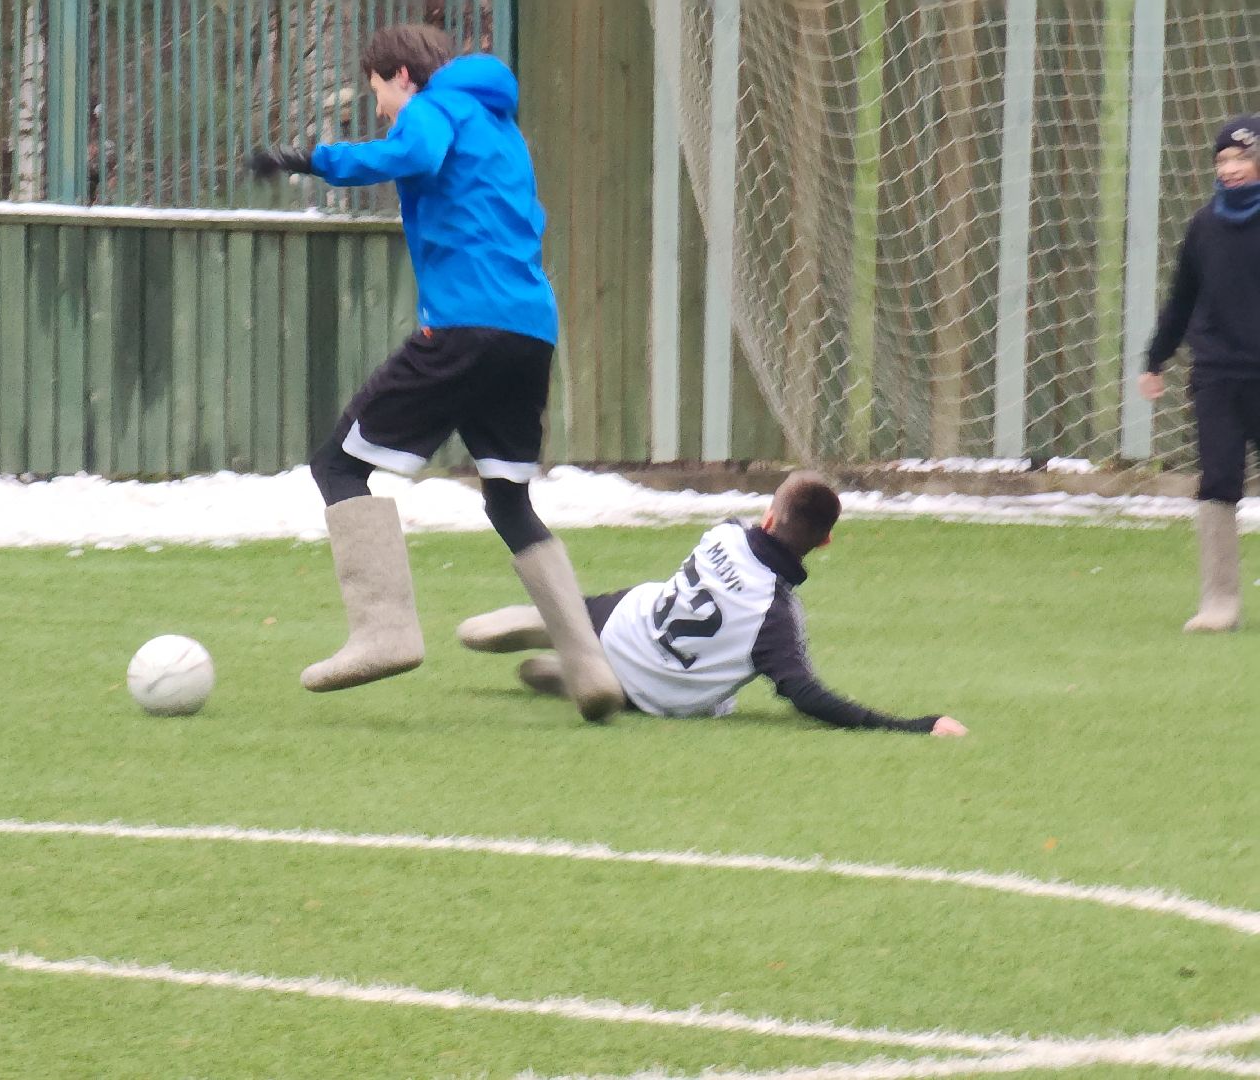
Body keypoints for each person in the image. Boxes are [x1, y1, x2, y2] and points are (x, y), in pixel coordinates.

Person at [247, 25, 622, 721]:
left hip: (464, 325)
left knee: (337, 465)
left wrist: (311, 160)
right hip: (529, 331)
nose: (382, 110)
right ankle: (588, 664)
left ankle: (383, 631)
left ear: (399, 76)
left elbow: (412, 152)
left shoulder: (431, 110)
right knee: (509, 500)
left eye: (379, 95)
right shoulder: (500, 125)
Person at [457, 472, 968, 736]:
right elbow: (807, 696)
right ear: (824, 543)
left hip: (623, 622)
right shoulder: (776, 619)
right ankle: (576, 676)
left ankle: (549, 627)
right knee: (662, 687)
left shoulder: (723, 533)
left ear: (768, 518)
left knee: (617, 606)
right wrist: (915, 725)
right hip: (655, 695)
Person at [1139, 114, 1260, 633]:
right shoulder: (1204, 226)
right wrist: (1155, 359)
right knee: (1217, 481)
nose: (1230, 169)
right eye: (1223, 160)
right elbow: (1182, 298)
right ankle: (1219, 603)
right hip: (1215, 374)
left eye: (1242, 158)